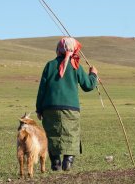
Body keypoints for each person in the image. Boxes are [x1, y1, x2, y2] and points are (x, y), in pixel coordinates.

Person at [36, 37, 98, 171]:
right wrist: (93, 75)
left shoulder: (50, 65)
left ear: (59, 49)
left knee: (51, 133)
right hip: (71, 108)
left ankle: (55, 162)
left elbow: (42, 88)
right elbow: (88, 86)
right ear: (73, 49)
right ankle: (68, 160)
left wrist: (39, 109)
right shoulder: (76, 66)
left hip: (49, 107)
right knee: (71, 133)